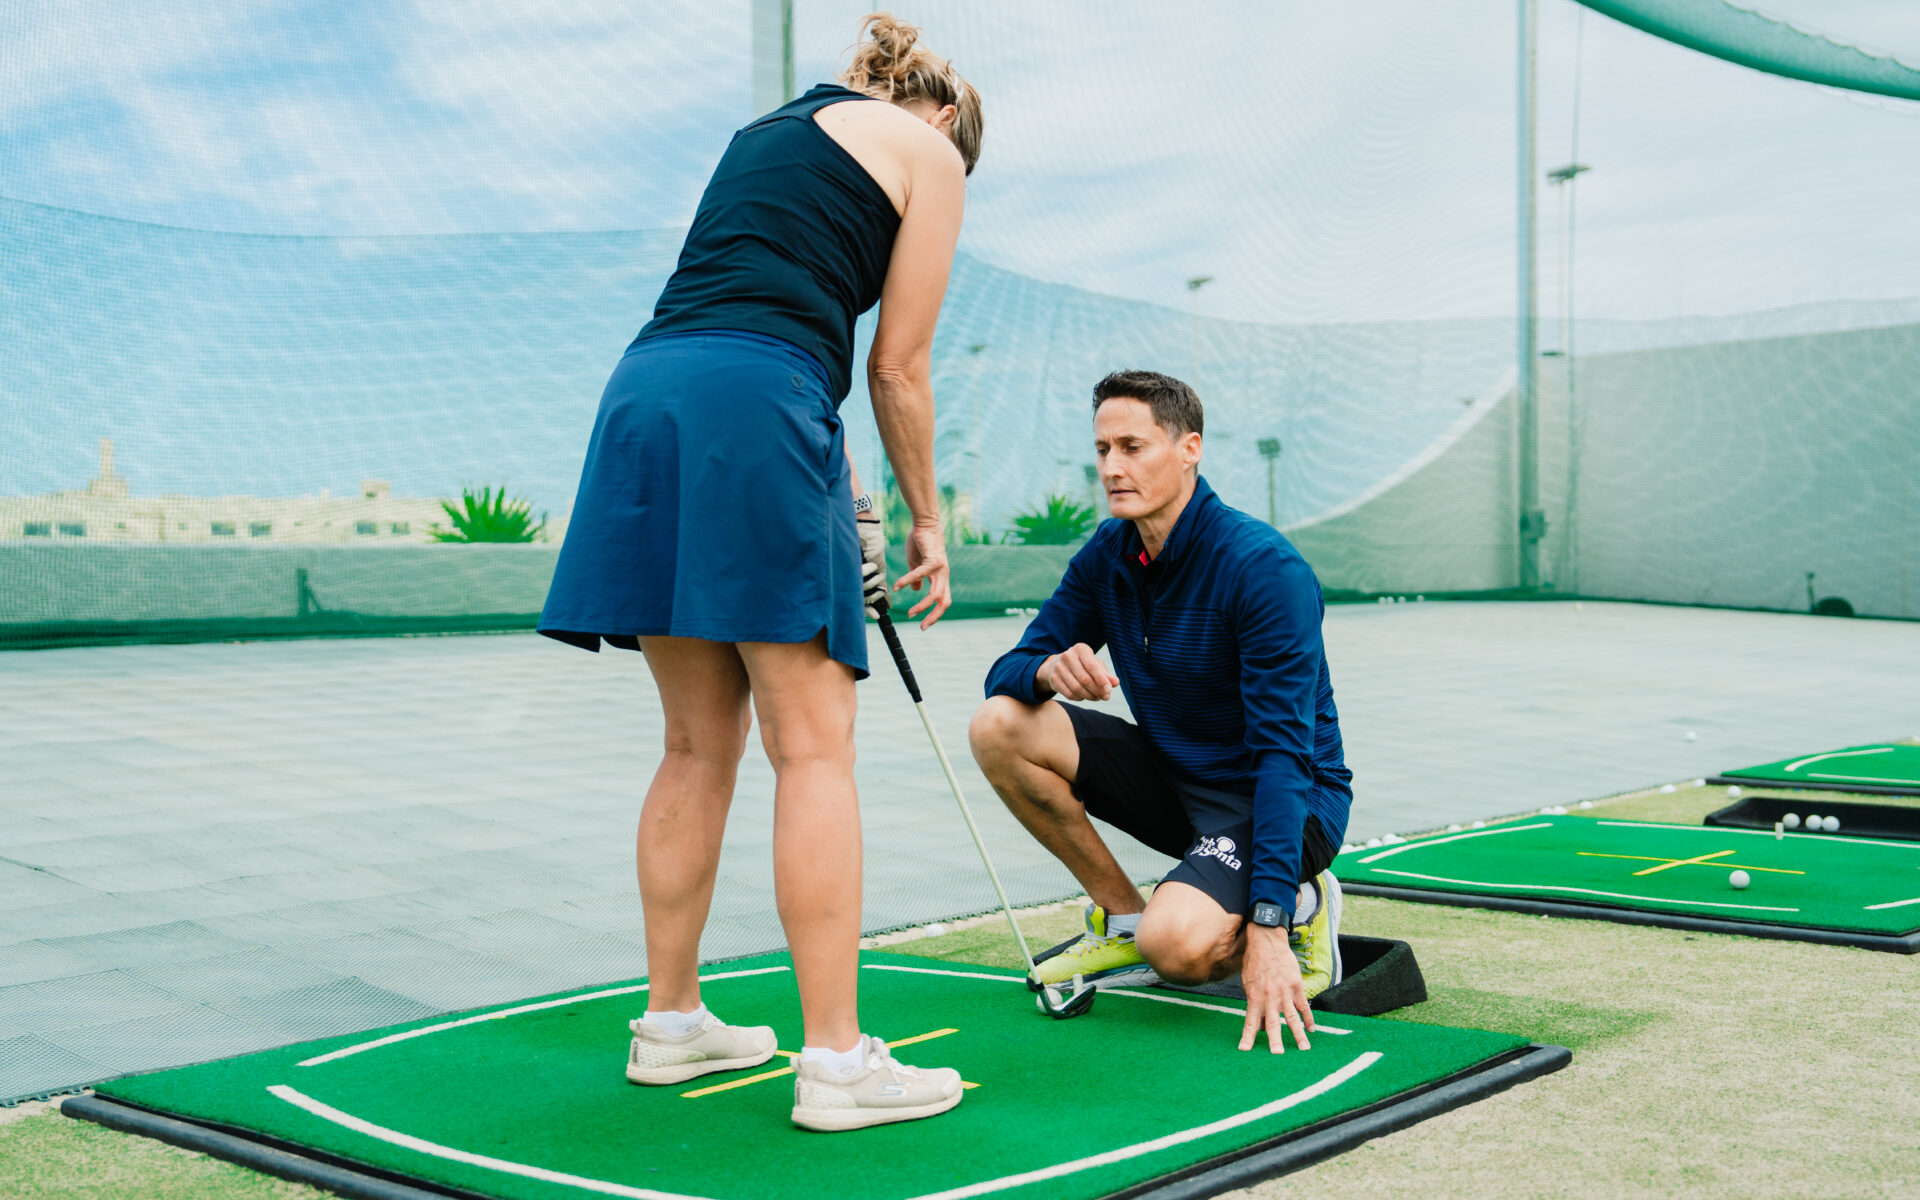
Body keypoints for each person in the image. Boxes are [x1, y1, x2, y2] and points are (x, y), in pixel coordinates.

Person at [537, 14, 982, 1130]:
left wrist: (844, 493)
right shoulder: (929, 151)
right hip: (758, 399)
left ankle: (671, 1025)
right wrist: (928, 521)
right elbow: (897, 366)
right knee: (813, 745)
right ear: (944, 117)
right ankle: (838, 1064)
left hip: (649, 393)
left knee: (695, 744)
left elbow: (767, 316)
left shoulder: (765, 135)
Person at [968, 370, 1353, 1054]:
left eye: (1132, 447)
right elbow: (1007, 670)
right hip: (1178, 780)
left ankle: (1301, 904)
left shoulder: (1263, 569)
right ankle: (1122, 921)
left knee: (1175, 948)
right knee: (999, 725)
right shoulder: (1109, 553)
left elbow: (1284, 757)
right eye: (1102, 450)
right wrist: (1046, 670)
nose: (1112, 468)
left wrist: (1266, 925)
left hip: (1285, 802)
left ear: (1189, 449)